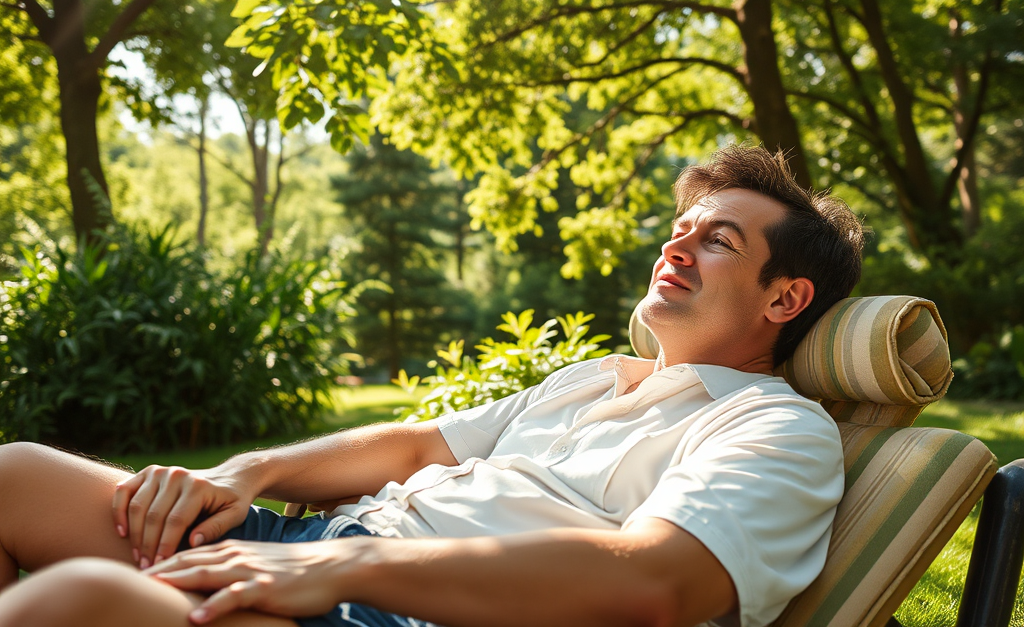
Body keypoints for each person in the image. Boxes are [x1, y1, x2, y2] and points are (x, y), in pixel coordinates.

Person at [0, 144, 864, 627]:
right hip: (324, 552)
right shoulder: (594, 379)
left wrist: (356, 568)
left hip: (403, 613)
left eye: (717, 241)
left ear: (785, 297)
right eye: (679, 230)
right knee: (16, 476)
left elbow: (658, 582)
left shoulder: (774, 429)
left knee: (85, 601)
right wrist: (246, 473)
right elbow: (417, 443)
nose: (675, 247)